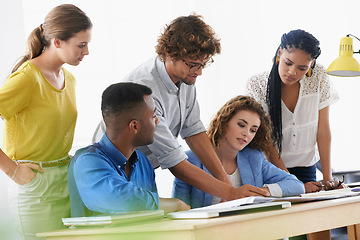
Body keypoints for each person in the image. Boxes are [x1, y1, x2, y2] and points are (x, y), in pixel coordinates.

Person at [93, 14, 269, 201]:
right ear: (169, 54)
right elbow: (174, 161)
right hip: (112, 169)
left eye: (203, 64)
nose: (199, 72)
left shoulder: (185, 77)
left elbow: (193, 131)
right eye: (194, 65)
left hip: (141, 168)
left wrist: (227, 184)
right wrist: (229, 192)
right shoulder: (147, 90)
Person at [0, 4, 92, 239]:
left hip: (66, 181)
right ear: (58, 42)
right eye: (81, 45)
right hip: (35, 186)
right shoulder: (27, 78)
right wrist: (12, 171)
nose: (87, 51)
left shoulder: (69, 79)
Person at [68, 82, 190, 217]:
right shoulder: (87, 161)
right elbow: (122, 199)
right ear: (134, 127)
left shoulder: (142, 161)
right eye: (153, 117)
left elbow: (152, 214)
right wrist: (176, 204)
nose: (157, 122)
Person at [246, 29, 341, 193]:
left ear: (311, 65)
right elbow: (266, 139)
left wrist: (327, 178)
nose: (292, 72)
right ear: (279, 53)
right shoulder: (257, 85)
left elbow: (323, 129)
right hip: (273, 171)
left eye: (302, 68)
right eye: (288, 63)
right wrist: (292, 183)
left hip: (307, 168)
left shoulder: (319, 77)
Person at [172, 95, 304, 208]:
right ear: (224, 122)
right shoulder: (190, 160)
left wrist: (258, 192)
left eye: (253, 130)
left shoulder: (254, 158)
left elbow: (297, 185)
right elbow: (180, 210)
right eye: (241, 125)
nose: (246, 133)